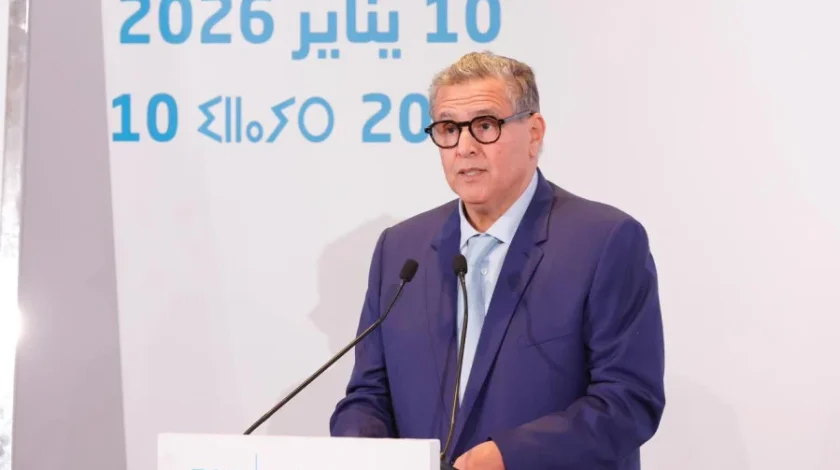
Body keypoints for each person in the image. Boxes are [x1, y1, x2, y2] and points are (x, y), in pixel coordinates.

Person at [329, 51, 666, 470]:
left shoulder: (604, 240)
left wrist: (509, 456)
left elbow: (628, 401)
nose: (464, 147)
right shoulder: (400, 249)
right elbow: (368, 394)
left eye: (485, 126)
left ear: (534, 133)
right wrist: (363, 448)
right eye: (448, 129)